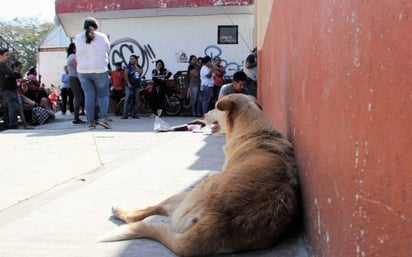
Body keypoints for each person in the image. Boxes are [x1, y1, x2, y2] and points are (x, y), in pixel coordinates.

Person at [74, 17, 111, 129]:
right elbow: (108, 50)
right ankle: (104, 118)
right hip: (100, 70)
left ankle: (90, 122)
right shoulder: (102, 36)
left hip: (83, 71)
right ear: (96, 26)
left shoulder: (78, 37)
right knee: (103, 95)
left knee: (89, 96)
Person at [66, 42, 86, 124]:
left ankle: (76, 116)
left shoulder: (71, 56)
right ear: (74, 49)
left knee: (78, 97)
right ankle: (76, 117)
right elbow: (77, 68)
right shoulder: (73, 56)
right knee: (78, 97)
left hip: (74, 78)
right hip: (74, 78)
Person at [0, 48, 19, 129]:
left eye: (9, 55)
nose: (8, 57)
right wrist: (13, 74)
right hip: (7, 89)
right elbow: (11, 74)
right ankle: (12, 125)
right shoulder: (2, 64)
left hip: (10, 89)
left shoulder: (6, 64)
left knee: (8, 108)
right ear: (1, 56)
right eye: (6, 55)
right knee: (12, 107)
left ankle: (8, 125)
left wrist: (13, 74)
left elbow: (12, 74)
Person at [14, 61, 35, 129]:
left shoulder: (19, 74)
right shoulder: (14, 74)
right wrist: (21, 82)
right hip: (17, 94)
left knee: (32, 103)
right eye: (20, 67)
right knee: (21, 110)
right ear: (15, 67)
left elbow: (23, 87)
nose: (21, 69)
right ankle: (25, 125)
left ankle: (19, 106)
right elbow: (16, 84)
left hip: (21, 94)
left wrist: (23, 83)